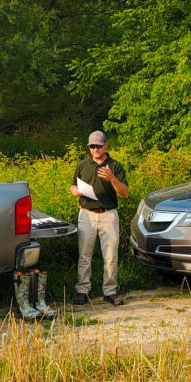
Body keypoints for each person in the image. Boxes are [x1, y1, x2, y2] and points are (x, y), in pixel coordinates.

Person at [70, 131, 129, 306]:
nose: (95, 149)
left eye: (98, 146)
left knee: (110, 255)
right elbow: (74, 185)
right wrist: (74, 191)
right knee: (84, 255)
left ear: (106, 146)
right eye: (92, 146)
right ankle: (82, 290)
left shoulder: (115, 166)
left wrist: (112, 179)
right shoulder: (82, 165)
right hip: (86, 214)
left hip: (108, 214)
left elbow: (124, 192)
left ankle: (110, 292)